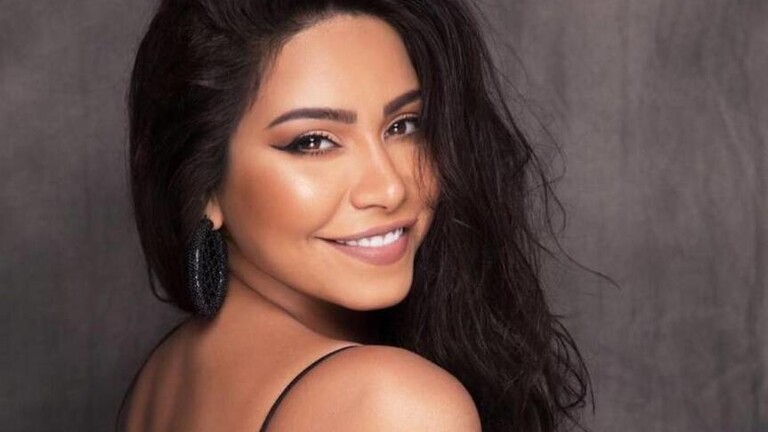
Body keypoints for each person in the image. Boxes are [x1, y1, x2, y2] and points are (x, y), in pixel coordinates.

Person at [119, 0, 591, 431]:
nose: (389, 188)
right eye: (314, 142)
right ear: (203, 185)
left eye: (403, 125)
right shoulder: (392, 406)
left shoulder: (162, 378)